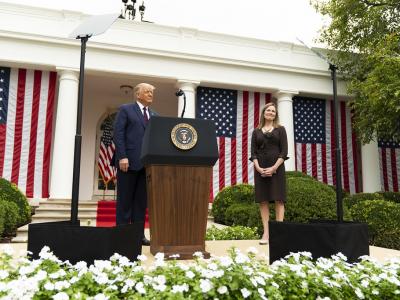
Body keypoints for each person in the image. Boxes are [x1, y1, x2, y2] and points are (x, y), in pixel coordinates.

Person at [113, 82, 157, 246]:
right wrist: (122, 156)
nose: (150, 95)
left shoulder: (154, 115)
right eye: (147, 92)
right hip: (128, 163)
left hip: (146, 166)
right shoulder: (126, 109)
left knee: (140, 203)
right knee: (125, 201)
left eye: (152, 92)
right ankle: (122, 236)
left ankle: (138, 235)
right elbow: (118, 134)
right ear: (138, 94)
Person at [250, 102, 288, 245]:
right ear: (263, 113)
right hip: (260, 168)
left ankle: (279, 232)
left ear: (275, 114)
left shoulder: (281, 130)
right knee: (263, 200)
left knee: (279, 199)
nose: (271, 112)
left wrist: (274, 168)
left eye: (273, 111)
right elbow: (253, 153)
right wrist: (258, 168)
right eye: (268, 110)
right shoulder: (256, 131)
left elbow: (284, 152)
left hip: (277, 168)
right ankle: (266, 232)